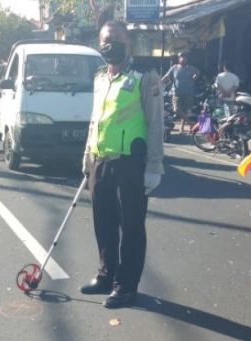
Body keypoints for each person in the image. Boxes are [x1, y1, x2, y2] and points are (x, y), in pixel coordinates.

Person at [80, 21, 164, 309]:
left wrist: (154, 166)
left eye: (115, 39)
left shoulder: (145, 77)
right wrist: (87, 155)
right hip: (99, 160)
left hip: (131, 163)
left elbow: (155, 124)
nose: (109, 44)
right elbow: (96, 119)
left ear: (128, 42)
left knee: (131, 227)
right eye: (105, 39)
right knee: (103, 223)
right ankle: (107, 274)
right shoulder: (101, 77)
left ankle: (126, 286)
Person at [162, 52, 199, 133]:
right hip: (176, 92)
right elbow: (166, 76)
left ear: (186, 59)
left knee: (186, 111)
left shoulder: (190, 68)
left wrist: (195, 76)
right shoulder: (174, 68)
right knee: (176, 109)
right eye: (181, 57)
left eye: (184, 57)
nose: (183, 59)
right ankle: (190, 123)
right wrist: (160, 82)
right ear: (178, 58)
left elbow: (197, 72)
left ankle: (182, 127)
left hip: (188, 92)